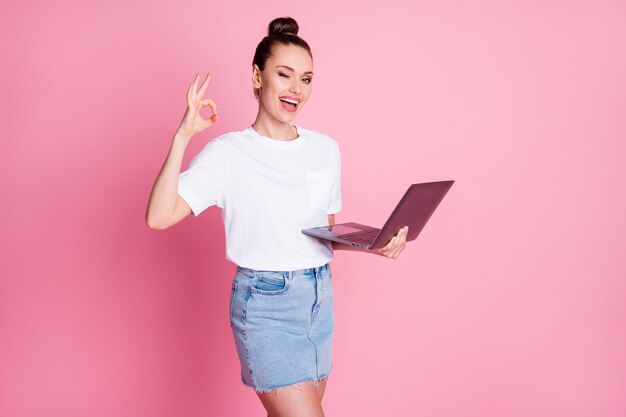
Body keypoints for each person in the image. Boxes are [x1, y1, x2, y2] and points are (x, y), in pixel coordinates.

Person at [145, 16, 408, 417]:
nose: (296, 89)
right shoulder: (228, 153)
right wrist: (183, 135)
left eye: (306, 79)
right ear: (257, 76)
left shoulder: (325, 149)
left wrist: (372, 246)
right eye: (284, 75)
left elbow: (324, 232)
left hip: (319, 300)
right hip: (266, 305)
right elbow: (159, 216)